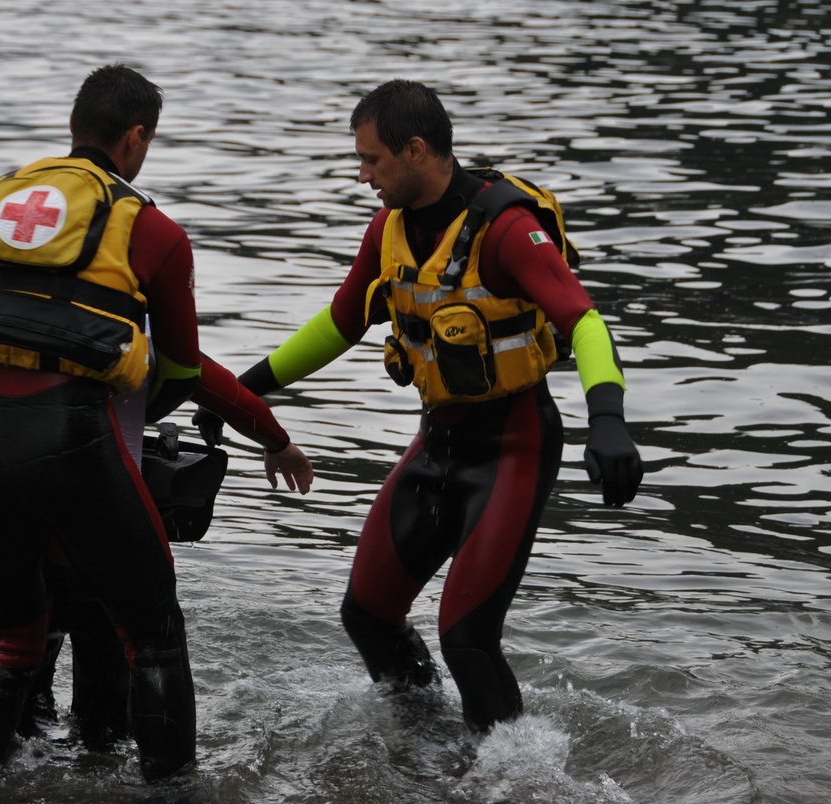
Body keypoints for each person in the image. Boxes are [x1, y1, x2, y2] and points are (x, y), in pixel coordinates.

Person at [0, 64, 310, 782]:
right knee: (152, 639)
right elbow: (191, 374)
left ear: (72, 127)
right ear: (135, 138)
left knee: (14, 645)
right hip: (79, 453)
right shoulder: (149, 232)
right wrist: (269, 436)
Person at [202, 79, 642, 732]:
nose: (363, 175)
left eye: (371, 160)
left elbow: (583, 321)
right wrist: (241, 393)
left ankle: (508, 787)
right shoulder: (389, 229)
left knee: (466, 636)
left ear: (415, 150)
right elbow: (341, 323)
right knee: (367, 613)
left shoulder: (506, 229)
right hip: (435, 448)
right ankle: (425, 743)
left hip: (511, 450)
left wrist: (606, 420)